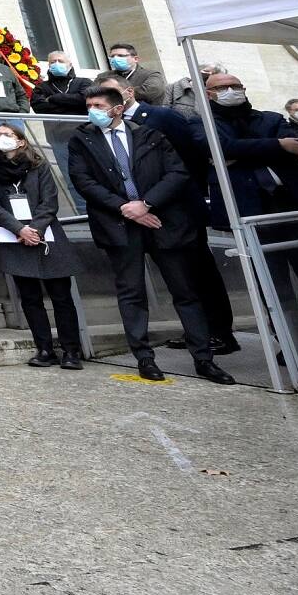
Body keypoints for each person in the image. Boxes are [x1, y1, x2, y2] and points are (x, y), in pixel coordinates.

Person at [66, 88, 232, 384]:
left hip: (162, 221)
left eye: (98, 105)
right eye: (89, 105)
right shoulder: (82, 139)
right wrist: (124, 208)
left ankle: (204, 358)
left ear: (117, 109)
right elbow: (83, 181)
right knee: (131, 292)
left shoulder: (149, 135)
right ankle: (144, 358)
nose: (92, 110)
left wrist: (146, 204)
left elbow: (177, 173)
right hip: (119, 225)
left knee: (185, 291)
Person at [95, 73, 239, 356]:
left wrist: (183, 197)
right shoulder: (109, 129)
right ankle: (197, 332)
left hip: (179, 209)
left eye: (110, 93)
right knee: (180, 278)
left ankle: (220, 332)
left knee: (199, 272)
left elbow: (189, 160)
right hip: (143, 213)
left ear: (128, 92)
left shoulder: (161, 117)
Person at [0, 123, 83, 369]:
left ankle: (71, 351)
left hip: (45, 234)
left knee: (61, 296)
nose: (1, 138)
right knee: (30, 297)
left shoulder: (39, 165)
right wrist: (19, 229)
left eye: (7, 135)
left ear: (21, 141)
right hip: (13, 236)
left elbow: (49, 201)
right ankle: (45, 349)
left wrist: (34, 229)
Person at [200, 70, 298, 228]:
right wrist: (278, 144)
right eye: (221, 88)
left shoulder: (272, 119)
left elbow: (294, 151)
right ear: (208, 94)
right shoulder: (201, 123)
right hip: (241, 201)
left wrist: (240, 153)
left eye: (235, 86)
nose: (230, 91)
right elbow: (220, 148)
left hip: (291, 196)